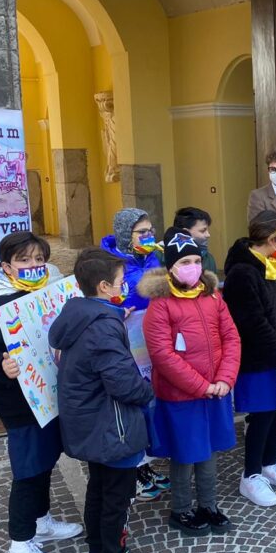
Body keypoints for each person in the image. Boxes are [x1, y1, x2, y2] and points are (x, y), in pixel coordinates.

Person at [0, 232, 81, 553]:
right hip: (20, 404)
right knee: (28, 470)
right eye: (24, 261)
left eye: (39, 259)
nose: (33, 266)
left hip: (48, 397)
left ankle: (41, 520)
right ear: (7, 267)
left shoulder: (49, 297)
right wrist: (0, 367)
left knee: (45, 461)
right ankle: (20, 546)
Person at [50, 248, 157, 553]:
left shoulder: (83, 315)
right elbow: (124, 383)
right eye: (119, 281)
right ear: (102, 286)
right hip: (112, 427)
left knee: (98, 490)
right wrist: (148, 391)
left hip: (91, 425)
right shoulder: (102, 327)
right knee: (117, 498)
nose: (124, 284)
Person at [139, 229, 239, 536]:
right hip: (183, 396)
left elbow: (231, 338)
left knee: (208, 450)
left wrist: (224, 378)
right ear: (171, 267)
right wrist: (202, 386)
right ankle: (181, 509)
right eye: (185, 261)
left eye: (197, 260)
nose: (193, 267)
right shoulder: (160, 306)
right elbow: (164, 356)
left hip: (215, 391)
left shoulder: (212, 296)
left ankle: (208, 504)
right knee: (185, 453)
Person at [222, 211, 276, 507]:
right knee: (262, 415)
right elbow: (252, 323)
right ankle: (251, 474)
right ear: (271, 240)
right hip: (258, 358)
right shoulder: (242, 274)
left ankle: (270, 463)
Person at [100, 207, 170, 502]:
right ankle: (134, 471)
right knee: (133, 404)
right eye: (141, 232)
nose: (149, 236)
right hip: (127, 339)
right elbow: (100, 299)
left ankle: (146, 465)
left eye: (151, 231)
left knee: (150, 403)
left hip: (150, 337)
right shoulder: (109, 263)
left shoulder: (152, 256)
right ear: (125, 234)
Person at [173, 206, 217, 274]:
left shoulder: (208, 258)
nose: (208, 235)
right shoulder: (159, 258)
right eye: (203, 231)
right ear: (185, 233)